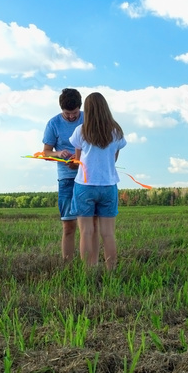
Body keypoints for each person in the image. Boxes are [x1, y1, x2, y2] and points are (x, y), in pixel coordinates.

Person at [69, 92, 126, 270]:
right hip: (108, 186)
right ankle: (111, 272)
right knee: (108, 234)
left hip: (85, 186)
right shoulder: (116, 131)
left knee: (86, 232)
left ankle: (88, 272)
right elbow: (114, 158)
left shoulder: (81, 130)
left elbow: (78, 161)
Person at [42, 88, 88, 261]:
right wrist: (58, 154)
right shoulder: (53, 123)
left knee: (88, 226)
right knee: (69, 225)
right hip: (66, 178)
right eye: (67, 113)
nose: (71, 117)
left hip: (87, 177)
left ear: (80, 108)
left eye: (74, 113)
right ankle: (67, 264)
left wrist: (79, 160)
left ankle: (88, 264)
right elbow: (45, 152)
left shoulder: (88, 118)